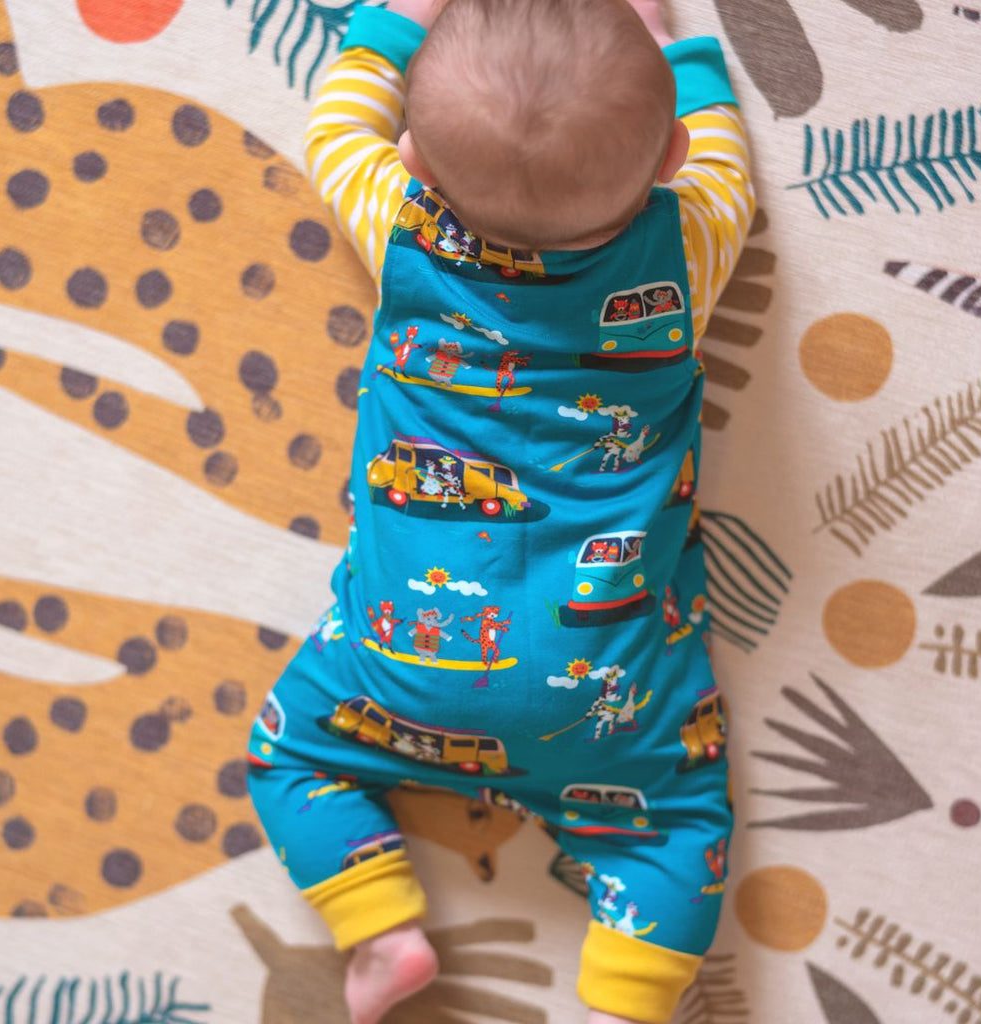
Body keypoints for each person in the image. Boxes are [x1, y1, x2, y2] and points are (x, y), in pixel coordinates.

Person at [247, 0, 754, 1020]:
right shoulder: (683, 255)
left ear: (416, 169)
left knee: (288, 755)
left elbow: (334, 125)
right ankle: (627, 997)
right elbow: (728, 168)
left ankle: (383, 929)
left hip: (396, 670)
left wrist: (397, 21)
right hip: (608, 699)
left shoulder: (402, 228)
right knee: (674, 826)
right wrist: (679, 47)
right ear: (668, 159)